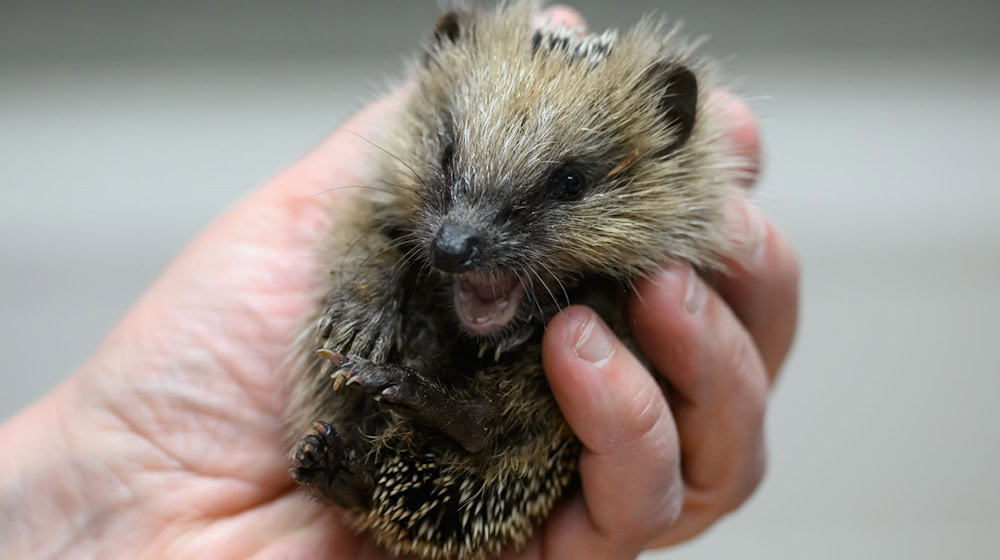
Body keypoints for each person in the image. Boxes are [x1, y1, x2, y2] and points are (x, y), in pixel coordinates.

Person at [0, 6, 798, 559]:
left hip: (483, 443)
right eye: (451, 168)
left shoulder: (652, 249)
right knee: (371, 283)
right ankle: (415, 426)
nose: (453, 238)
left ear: (668, 138)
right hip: (385, 404)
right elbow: (377, 241)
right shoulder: (403, 214)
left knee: (575, 379)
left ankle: (443, 425)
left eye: (557, 191)